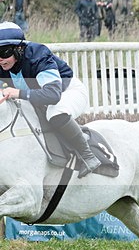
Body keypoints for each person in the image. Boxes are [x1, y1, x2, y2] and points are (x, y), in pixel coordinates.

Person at [0, 21, 101, 177]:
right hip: (39, 96)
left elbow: (52, 95)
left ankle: (88, 155)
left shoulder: (38, 55)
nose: (0, 59)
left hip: (67, 91)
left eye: (4, 52)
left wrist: (18, 93)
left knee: (56, 113)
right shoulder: (3, 63)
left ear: (19, 49)